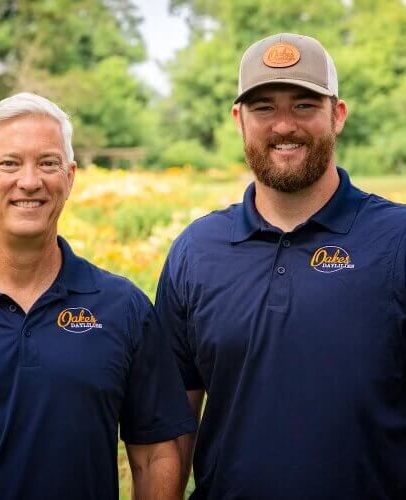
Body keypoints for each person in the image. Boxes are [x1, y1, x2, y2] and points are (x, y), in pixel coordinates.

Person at [0, 92, 196, 499]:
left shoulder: (123, 308)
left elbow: (155, 454)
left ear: (70, 176)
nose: (29, 181)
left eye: (47, 163)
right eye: (9, 163)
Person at [156, 33, 406, 499]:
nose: (284, 125)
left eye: (305, 105)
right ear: (239, 120)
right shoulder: (196, 251)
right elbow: (170, 431)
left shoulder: (397, 239)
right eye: (264, 107)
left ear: (338, 115)